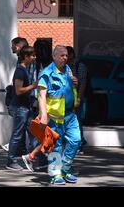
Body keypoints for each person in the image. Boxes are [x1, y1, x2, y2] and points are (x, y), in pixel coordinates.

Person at [38, 45, 81, 185]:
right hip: (54, 118)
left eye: (66, 55)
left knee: (76, 140)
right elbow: (41, 95)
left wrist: (75, 83)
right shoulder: (47, 73)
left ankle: (65, 168)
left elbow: (69, 87)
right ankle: (55, 174)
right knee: (55, 147)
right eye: (62, 55)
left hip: (69, 115)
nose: (65, 58)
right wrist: (43, 114)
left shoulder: (67, 69)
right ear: (54, 56)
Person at [5, 46, 38, 171]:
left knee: (33, 132)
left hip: (25, 107)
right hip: (20, 107)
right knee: (17, 134)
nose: (34, 58)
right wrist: (33, 86)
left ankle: (38, 158)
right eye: (32, 56)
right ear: (26, 57)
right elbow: (18, 91)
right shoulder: (20, 71)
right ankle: (11, 160)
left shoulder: (23, 70)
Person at [66, 46, 88, 154]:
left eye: (66, 55)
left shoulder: (80, 66)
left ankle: (80, 144)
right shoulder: (65, 66)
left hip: (76, 98)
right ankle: (77, 142)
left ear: (71, 55)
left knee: (77, 121)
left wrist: (79, 98)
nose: (64, 57)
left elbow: (83, 84)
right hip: (66, 99)